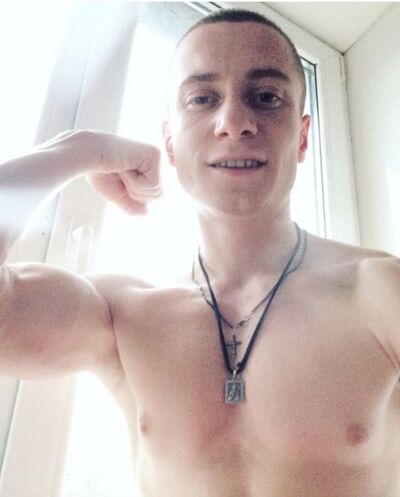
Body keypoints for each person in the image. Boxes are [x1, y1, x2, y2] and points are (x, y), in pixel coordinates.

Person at [1, 8, 400, 497]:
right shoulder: (123, 314)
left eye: (266, 97)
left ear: (301, 137)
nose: (234, 122)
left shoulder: (380, 291)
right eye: (202, 99)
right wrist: (75, 150)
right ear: (169, 143)